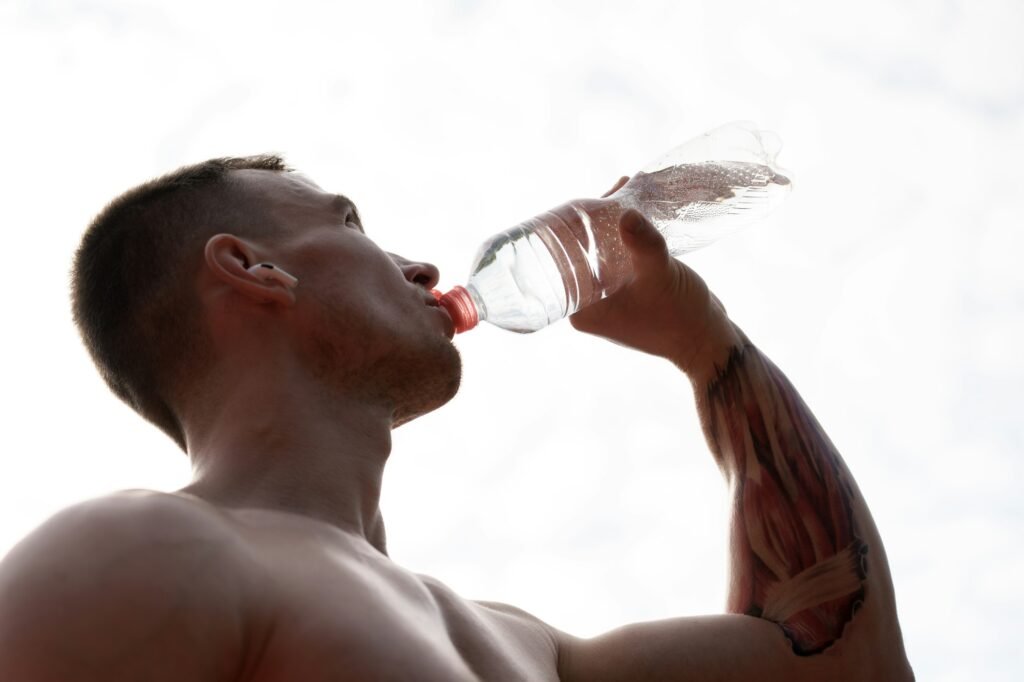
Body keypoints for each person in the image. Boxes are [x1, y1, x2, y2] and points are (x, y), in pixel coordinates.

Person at [0, 156, 914, 681]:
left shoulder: (525, 647)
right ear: (252, 269)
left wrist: (706, 343)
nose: (423, 268)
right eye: (350, 224)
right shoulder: (143, 547)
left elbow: (845, 666)